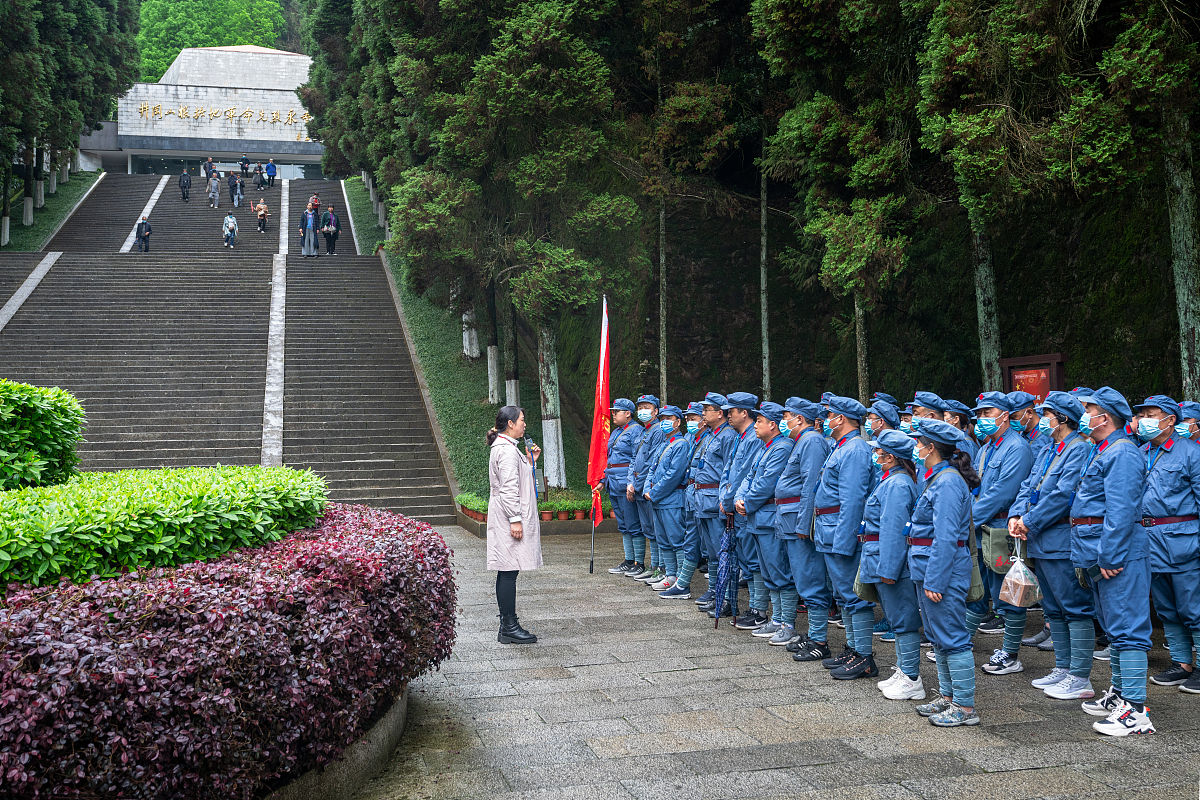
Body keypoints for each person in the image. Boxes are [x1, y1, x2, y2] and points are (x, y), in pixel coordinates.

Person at [1068, 387, 1153, 735]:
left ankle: (1135, 712)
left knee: (1129, 629)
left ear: (1105, 417)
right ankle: (1121, 696)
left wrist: (1111, 554)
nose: (1084, 415)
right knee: (1116, 628)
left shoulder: (1122, 453)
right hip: (1100, 551)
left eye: (1089, 409)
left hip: (1118, 553)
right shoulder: (1102, 448)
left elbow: (1121, 510)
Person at [1008, 391, 1095, 700]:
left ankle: (1080, 676)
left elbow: (1062, 495)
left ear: (1063, 419)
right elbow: (1027, 485)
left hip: (1060, 538)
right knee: (1053, 608)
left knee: (1074, 607)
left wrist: (1029, 521)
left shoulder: (1079, 449)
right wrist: (1017, 515)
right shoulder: (1049, 448)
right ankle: (1063, 667)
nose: (1043, 420)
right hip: (1040, 539)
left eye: (1048, 415)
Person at [910, 418, 982, 727]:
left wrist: (936, 579)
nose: (915, 447)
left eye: (919, 443)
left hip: (942, 568)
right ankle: (948, 697)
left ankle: (965, 707)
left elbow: (948, 536)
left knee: (952, 636)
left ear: (931, 448)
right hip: (927, 564)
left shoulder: (949, 481)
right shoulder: (938, 477)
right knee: (938, 637)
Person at [1132, 395, 1200, 696]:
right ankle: (1182, 662)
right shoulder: (1142, 450)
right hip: (1149, 541)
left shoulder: (1190, 453)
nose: (1145, 419)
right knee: (1166, 608)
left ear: (1170, 419)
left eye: (1151, 414)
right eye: (1143, 414)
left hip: (1183, 540)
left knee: (1193, 607)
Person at [811, 395, 876, 678]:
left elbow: (853, 499)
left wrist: (846, 539)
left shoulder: (855, 449)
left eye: (829, 416)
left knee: (853, 595)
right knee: (843, 594)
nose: (826, 421)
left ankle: (863, 655)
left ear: (841, 419)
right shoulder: (842, 446)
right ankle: (853, 648)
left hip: (840, 529)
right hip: (829, 528)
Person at [969, 391, 1034, 658]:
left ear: (1004, 416)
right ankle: (960, 643)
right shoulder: (986, 448)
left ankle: (1010, 654)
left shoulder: (1017, 447)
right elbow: (976, 486)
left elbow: (1002, 493)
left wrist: (968, 519)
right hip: (983, 528)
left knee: (1009, 593)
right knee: (979, 589)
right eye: (980, 414)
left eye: (987, 413)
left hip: (1001, 528)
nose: (982, 418)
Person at [860, 429, 922, 698]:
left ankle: (911, 677)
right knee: (898, 617)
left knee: (903, 618)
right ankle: (903, 669)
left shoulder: (897, 484)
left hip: (889, 559)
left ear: (891, 457)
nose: (876, 455)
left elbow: (894, 529)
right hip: (878, 553)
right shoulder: (891, 479)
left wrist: (888, 570)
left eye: (879, 451)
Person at [780, 399, 835, 659]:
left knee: (811, 581)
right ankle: (814, 635)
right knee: (804, 580)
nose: (784, 421)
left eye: (787, 416)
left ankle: (819, 641)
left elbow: (810, 486)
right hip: (791, 521)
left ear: (800, 419)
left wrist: (804, 524)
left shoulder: (812, 441)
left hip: (799, 523)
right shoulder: (803, 441)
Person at [735, 401, 794, 639]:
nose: (755, 425)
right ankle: (777, 618)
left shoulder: (782, 447)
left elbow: (767, 483)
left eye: (759, 421)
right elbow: (749, 477)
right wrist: (739, 497)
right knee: (767, 571)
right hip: (757, 517)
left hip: (769, 517)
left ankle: (787, 624)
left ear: (773, 424)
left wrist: (747, 503)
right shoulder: (764, 447)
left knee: (778, 570)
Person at [486, 406, 542, 644]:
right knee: (508, 571)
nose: (524, 424)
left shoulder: (506, 447)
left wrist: (531, 462)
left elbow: (516, 478)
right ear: (510, 424)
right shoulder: (507, 451)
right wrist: (515, 519)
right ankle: (509, 625)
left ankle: (506, 625)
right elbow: (509, 488)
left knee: (507, 569)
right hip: (507, 516)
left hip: (503, 514)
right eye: (521, 420)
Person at [717, 392, 764, 623]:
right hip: (733, 505)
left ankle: (758, 609)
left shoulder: (753, 438)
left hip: (743, 507)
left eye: (731, 412)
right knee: (745, 559)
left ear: (744, 413)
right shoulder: (739, 436)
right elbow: (728, 471)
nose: (727, 416)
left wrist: (728, 501)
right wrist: (724, 498)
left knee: (752, 561)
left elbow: (744, 474)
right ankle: (753, 607)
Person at [690, 393, 737, 611]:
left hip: (714, 499)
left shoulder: (727, 435)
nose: (703, 413)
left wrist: (724, 498)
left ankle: (726, 596)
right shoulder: (710, 434)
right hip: (702, 500)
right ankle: (715, 590)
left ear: (720, 413)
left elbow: (729, 470)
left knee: (722, 551)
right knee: (711, 552)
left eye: (707, 410)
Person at [661, 402, 709, 599]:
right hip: (694, 496)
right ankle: (682, 584)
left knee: (711, 548)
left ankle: (715, 591)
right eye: (688, 418)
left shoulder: (710, 439)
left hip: (706, 499)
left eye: (694, 418)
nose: (691, 422)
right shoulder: (696, 439)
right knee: (690, 541)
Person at [643, 406, 693, 591]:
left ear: (678, 422)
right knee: (663, 539)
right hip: (658, 500)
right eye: (662, 418)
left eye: (669, 418)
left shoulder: (680, 444)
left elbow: (674, 475)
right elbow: (652, 469)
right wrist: (647, 488)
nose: (664, 421)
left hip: (672, 499)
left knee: (676, 539)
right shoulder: (664, 443)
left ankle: (680, 577)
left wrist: (654, 492)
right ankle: (669, 575)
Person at [626, 395, 665, 583]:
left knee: (657, 530)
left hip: (648, 488)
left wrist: (639, 485)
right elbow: (634, 459)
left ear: (655, 411)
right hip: (638, 487)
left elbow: (651, 462)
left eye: (647, 407)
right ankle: (653, 565)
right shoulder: (642, 431)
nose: (643, 410)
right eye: (640, 407)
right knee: (648, 529)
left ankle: (660, 567)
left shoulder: (657, 430)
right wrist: (630, 483)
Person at [605, 398, 641, 576]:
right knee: (623, 524)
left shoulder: (636, 431)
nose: (613, 414)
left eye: (616, 411)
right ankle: (628, 560)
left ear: (627, 413)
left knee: (633, 523)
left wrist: (631, 483)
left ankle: (638, 562)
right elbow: (611, 458)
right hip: (613, 482)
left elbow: (636, 458)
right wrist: (603, 480)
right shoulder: (617, 432)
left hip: (625, 482)